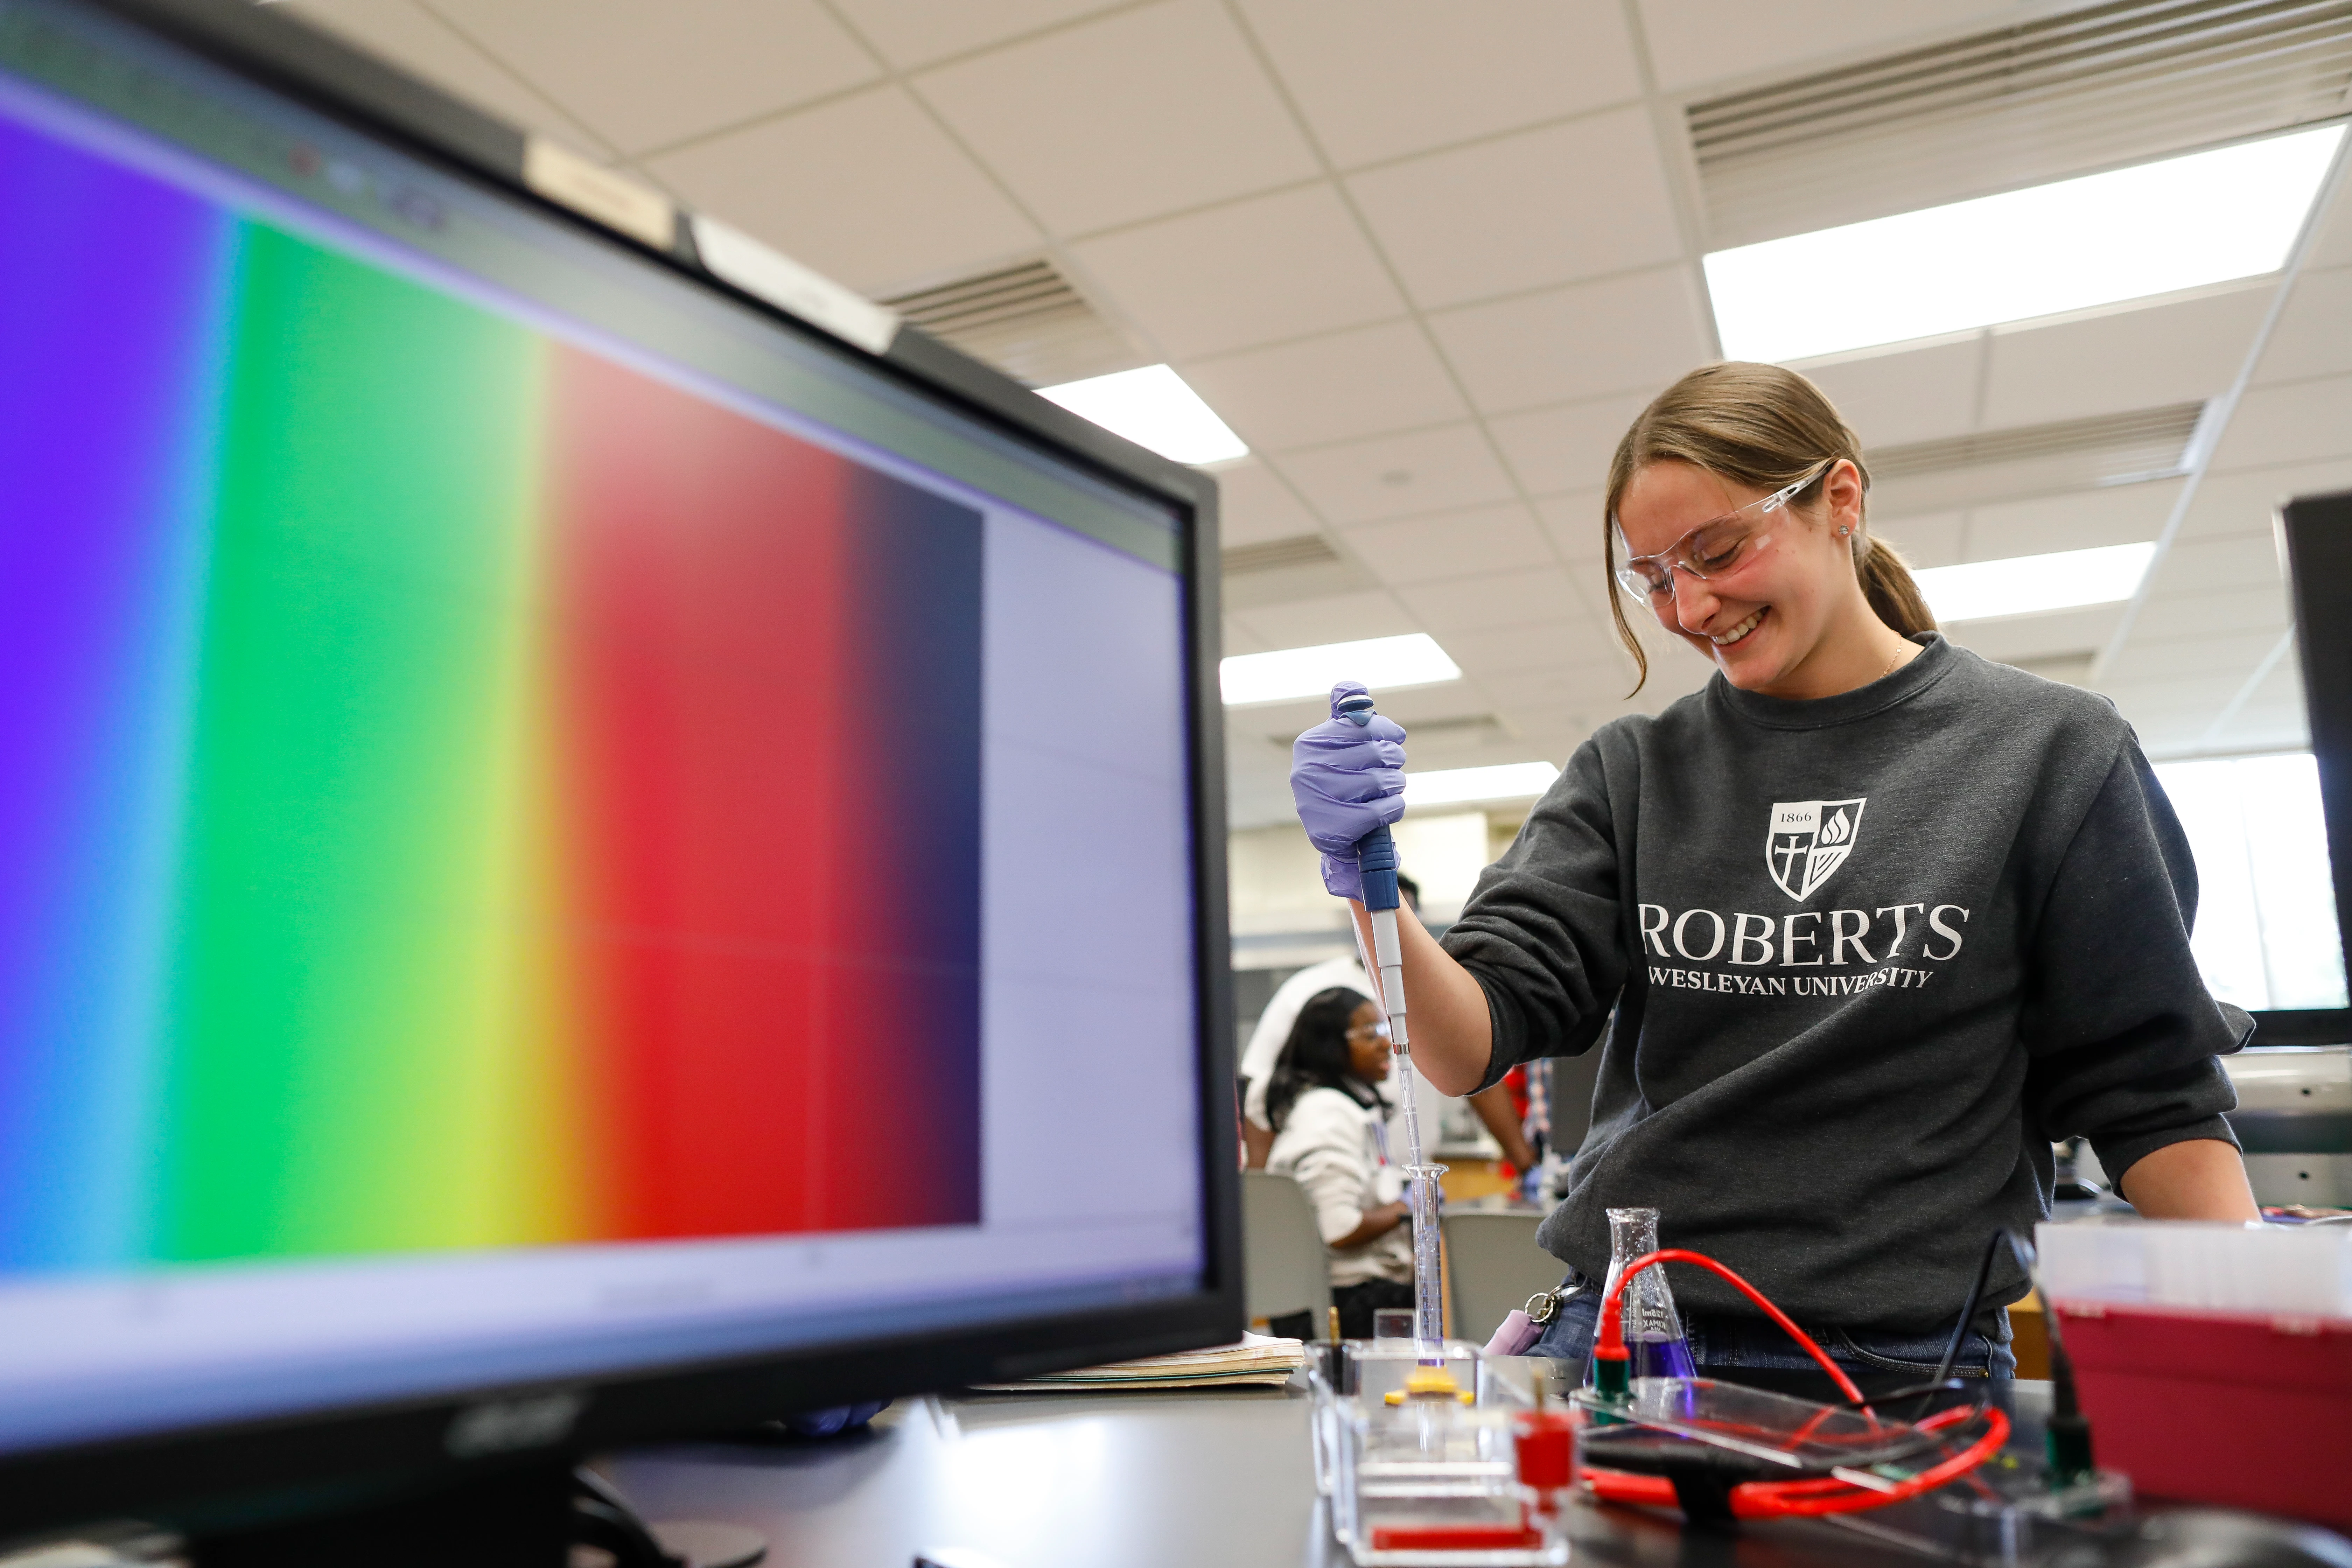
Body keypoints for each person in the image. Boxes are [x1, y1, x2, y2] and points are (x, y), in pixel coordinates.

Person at [1288, 361, 2258, 1395]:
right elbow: (1465, 1043)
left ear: (1838, 498)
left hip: (1896, 1364)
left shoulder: (2046, 753)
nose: (1689, 604)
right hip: (1625, 1340)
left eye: (1716, 550)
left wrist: (2270, 1346)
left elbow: (2147, 1092)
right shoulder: (1633, 770)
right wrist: (1367, 885)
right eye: (1652, 575)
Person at [1237, 874, 1536, 1173]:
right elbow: (1259, 1092)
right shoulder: (1306, 990)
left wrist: (1524, 1163)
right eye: (1375, 910)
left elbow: (1478, 1069)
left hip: (1412, 1177)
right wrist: (1263, 1189)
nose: (1388, 923)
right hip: (1335, 1176)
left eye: (1400, 913)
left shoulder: (1439, 989)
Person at [1261, 987, 1414, 1340]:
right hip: (1339, 1306)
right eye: (1370, 1033)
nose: (1386, 1044)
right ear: (1330, 1045)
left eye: (1384, 1030)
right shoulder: (1326, 1113)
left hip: (1346, 1296)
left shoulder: (1348, 1106)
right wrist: (1411, 1207)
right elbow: (1340, 1229)